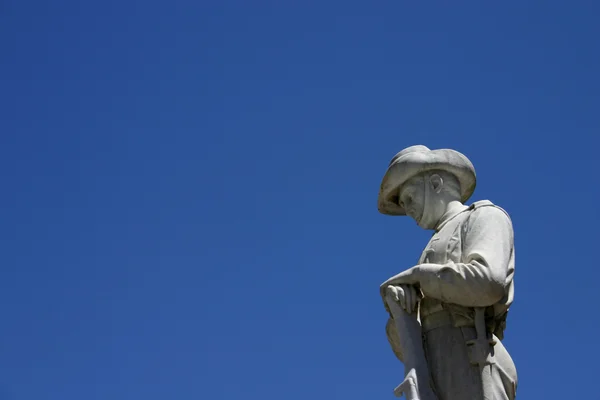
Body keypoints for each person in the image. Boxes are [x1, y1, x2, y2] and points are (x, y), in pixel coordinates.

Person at [377, 145, 518, 400]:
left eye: (409, 197)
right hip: (432, 366)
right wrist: (402, 308)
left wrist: (419, 277)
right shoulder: (432, 244)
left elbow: (488, 281)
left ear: (434, 183)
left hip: (473, 360)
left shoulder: (485, 217)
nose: (407, 209)